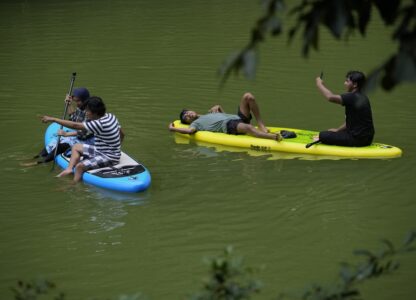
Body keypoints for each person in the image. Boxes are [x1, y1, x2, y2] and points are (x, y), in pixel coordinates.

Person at [41, 96, 125, 182]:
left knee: (79, 167)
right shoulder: (111, 116)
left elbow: (75, 125)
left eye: (88, 110)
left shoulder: (98, 123)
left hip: (109, 157)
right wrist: (117, 148)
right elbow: (122, 133)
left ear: (95, 112)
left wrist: (53, 119)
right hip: (102, 151)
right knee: (76, 147)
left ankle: (72, 185)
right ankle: (69, 169)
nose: (85, 112)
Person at [169, 92, 282, 141]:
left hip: (237, 119)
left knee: (248, 96)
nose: (188, 114)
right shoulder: (195, 124)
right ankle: (273, 137)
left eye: (187, 112)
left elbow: (224, 115)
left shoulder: (208, 113)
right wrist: (173, 129)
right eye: (186, 117)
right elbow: (190, 132)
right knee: (248, 128)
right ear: (188, 122)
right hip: (229, 126)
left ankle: (261, 125)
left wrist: (219, 108)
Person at [33, 87, 93, 164]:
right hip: (78, 136)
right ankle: (36, 157)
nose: (76, 103)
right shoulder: (80, 107)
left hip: (87, 140)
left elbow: (82, 131)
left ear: (85, 100)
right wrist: (68, 104)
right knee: (53, 144)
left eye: (78, 101)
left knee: (61, 147)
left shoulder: (90, 112)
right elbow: (73, 118)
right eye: (75, 101)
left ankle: (39, 163)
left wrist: (67, 134)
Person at [314, 71, 375, 147]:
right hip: (367, 139)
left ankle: (323, 137)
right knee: (332, 133)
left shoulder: (352, 97)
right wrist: (338, 130)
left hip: (357, 140)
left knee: (323, 135)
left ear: (355, 84)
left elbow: (330, 97)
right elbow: (352, 121)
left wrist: (319, 84)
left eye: (347, 81)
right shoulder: (363, 97)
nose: (344, 83)